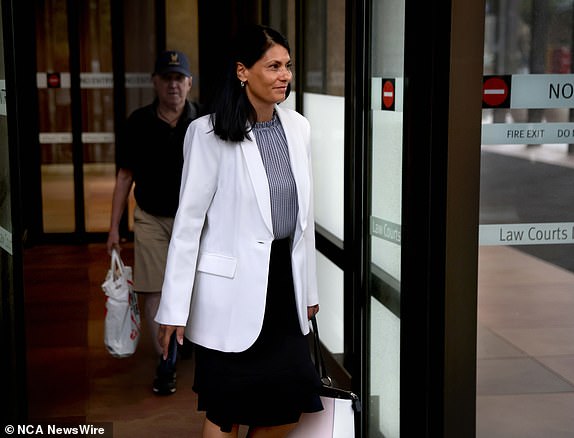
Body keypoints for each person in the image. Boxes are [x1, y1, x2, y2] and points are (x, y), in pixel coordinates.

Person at [155, 24, 323, 437]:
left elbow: (304, 219)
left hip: (283, 287)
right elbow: (188, 226)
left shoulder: (298, 128)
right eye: (273, 66)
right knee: (225, 409)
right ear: (243, 71)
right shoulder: (207, 134)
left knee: (288, 406)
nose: (285, 75)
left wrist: (310, 291)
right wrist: (174, 308)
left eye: (288, 66)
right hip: (229, 294)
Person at [106, 50, 201, 395]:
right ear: (155, 83)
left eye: (180, 78)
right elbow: (124, 177)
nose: (173, 84)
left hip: (194, 221)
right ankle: (166, 361)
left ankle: (186, 337)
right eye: (167, 78)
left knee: (196, 287)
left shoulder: (203, 121)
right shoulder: (139, 122)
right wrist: (114, 228)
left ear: (189, 82)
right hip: (150, 218)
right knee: (154, 291)